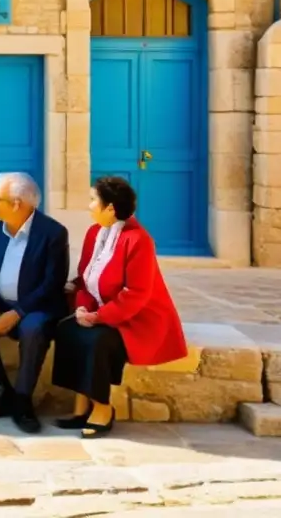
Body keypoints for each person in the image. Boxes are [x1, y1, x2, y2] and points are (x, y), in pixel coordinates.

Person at [52, 175, 187, 438]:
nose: (89, 205)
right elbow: (85, 279)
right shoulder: (94, 233)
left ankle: (102, 408)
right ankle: (81, 409)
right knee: (68, 331)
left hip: (136, 320)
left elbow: (136, 294)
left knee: (97, 341)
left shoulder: (139, 240)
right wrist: (81, 309)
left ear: (110, 208)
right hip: (102, 313)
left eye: (93, 200)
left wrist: (98, 317)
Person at [0, 172, 70, 434]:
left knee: (33, 329)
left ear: (17, 203)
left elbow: (52, 283)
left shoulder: (53, 233)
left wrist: (18, 312)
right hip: (1, 304)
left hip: (36, 308)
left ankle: (22, 400)